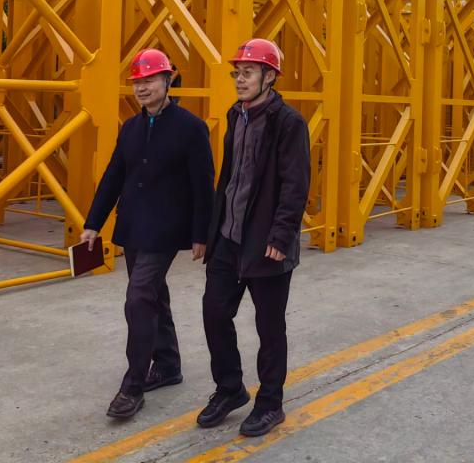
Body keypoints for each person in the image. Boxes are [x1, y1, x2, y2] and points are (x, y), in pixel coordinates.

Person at [80, 49, 215, 419]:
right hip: (133, 227)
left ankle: (133, 385)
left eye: (150, 80)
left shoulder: (190, 128)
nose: (142, 88)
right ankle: (168, 364)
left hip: (166, 229)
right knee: (154, 294)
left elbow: (203, 184)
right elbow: (113, 176)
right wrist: (93, 223)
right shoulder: (131, 128)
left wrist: (202, 233)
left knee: (138, 298)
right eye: (137, 82)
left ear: (168, 81)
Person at [197, 38, 310, 438]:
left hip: (267, 242)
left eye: (248, 72)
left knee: (269, 325)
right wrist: (210, 233)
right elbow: (228, 179)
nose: (240, 79)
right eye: (237, 73)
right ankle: (230, 388)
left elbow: (295, 184)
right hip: (229, 238)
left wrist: (281, 235)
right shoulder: (237, 115)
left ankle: (270, 403)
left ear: (270, 76)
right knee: (214, 312)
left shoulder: (289, 123)